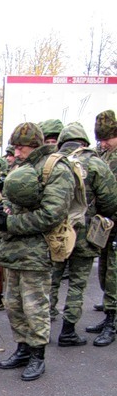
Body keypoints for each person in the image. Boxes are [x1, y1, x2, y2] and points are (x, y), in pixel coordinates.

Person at [0, 122, 75, 380]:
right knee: (14, 304)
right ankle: (23, 348)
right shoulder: (22, 166)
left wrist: (11, 224)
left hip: (38, 251)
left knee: (35, 305)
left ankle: (38, 354)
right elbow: (10, 200)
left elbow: (52, 214)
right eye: (14, 147)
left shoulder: (56, 169)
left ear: (35, 145)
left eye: (20, 147)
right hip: (15, 249)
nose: (16, 152)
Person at [50, 123, 117, 345]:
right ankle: (68, 331)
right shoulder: (96, 163)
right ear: (85, 142)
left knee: (51, 278)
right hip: (85, 231)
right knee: (78, 282)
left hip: (56, 231)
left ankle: (42, 325)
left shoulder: (51, 162)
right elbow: (110, 201)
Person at [85, 110, 117, 347]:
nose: (104, 143)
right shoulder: (105, 155)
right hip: (106, 223)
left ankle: (112, 321)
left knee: (114, 273)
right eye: (101, 139)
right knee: (105, 269)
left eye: (107, 138)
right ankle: (109, 309)